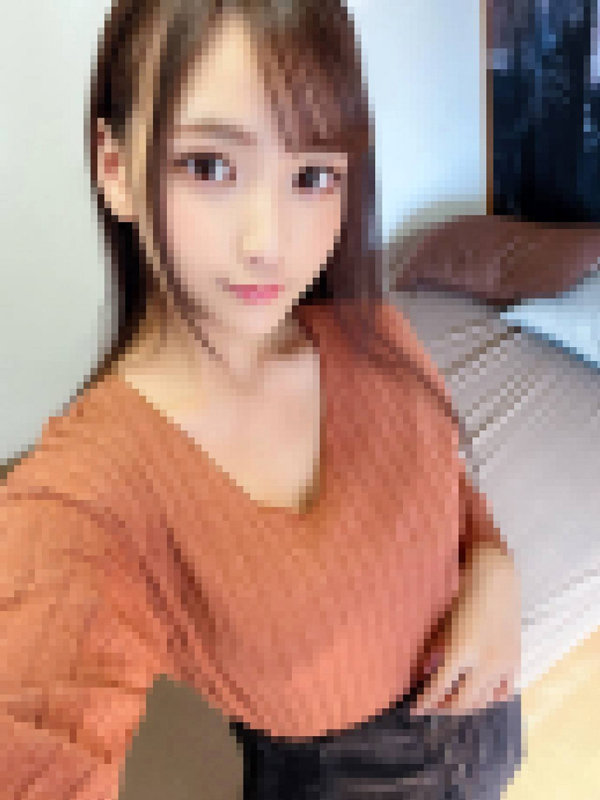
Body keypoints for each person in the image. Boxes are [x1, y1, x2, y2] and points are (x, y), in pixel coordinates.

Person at [0, 1, 523, 798]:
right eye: (210, 166)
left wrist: (492, 563)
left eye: (313, 175)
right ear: (115, 168)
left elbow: (445, 480)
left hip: (488, 735)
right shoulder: (86, 499)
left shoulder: (376, 334)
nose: (269, 241)